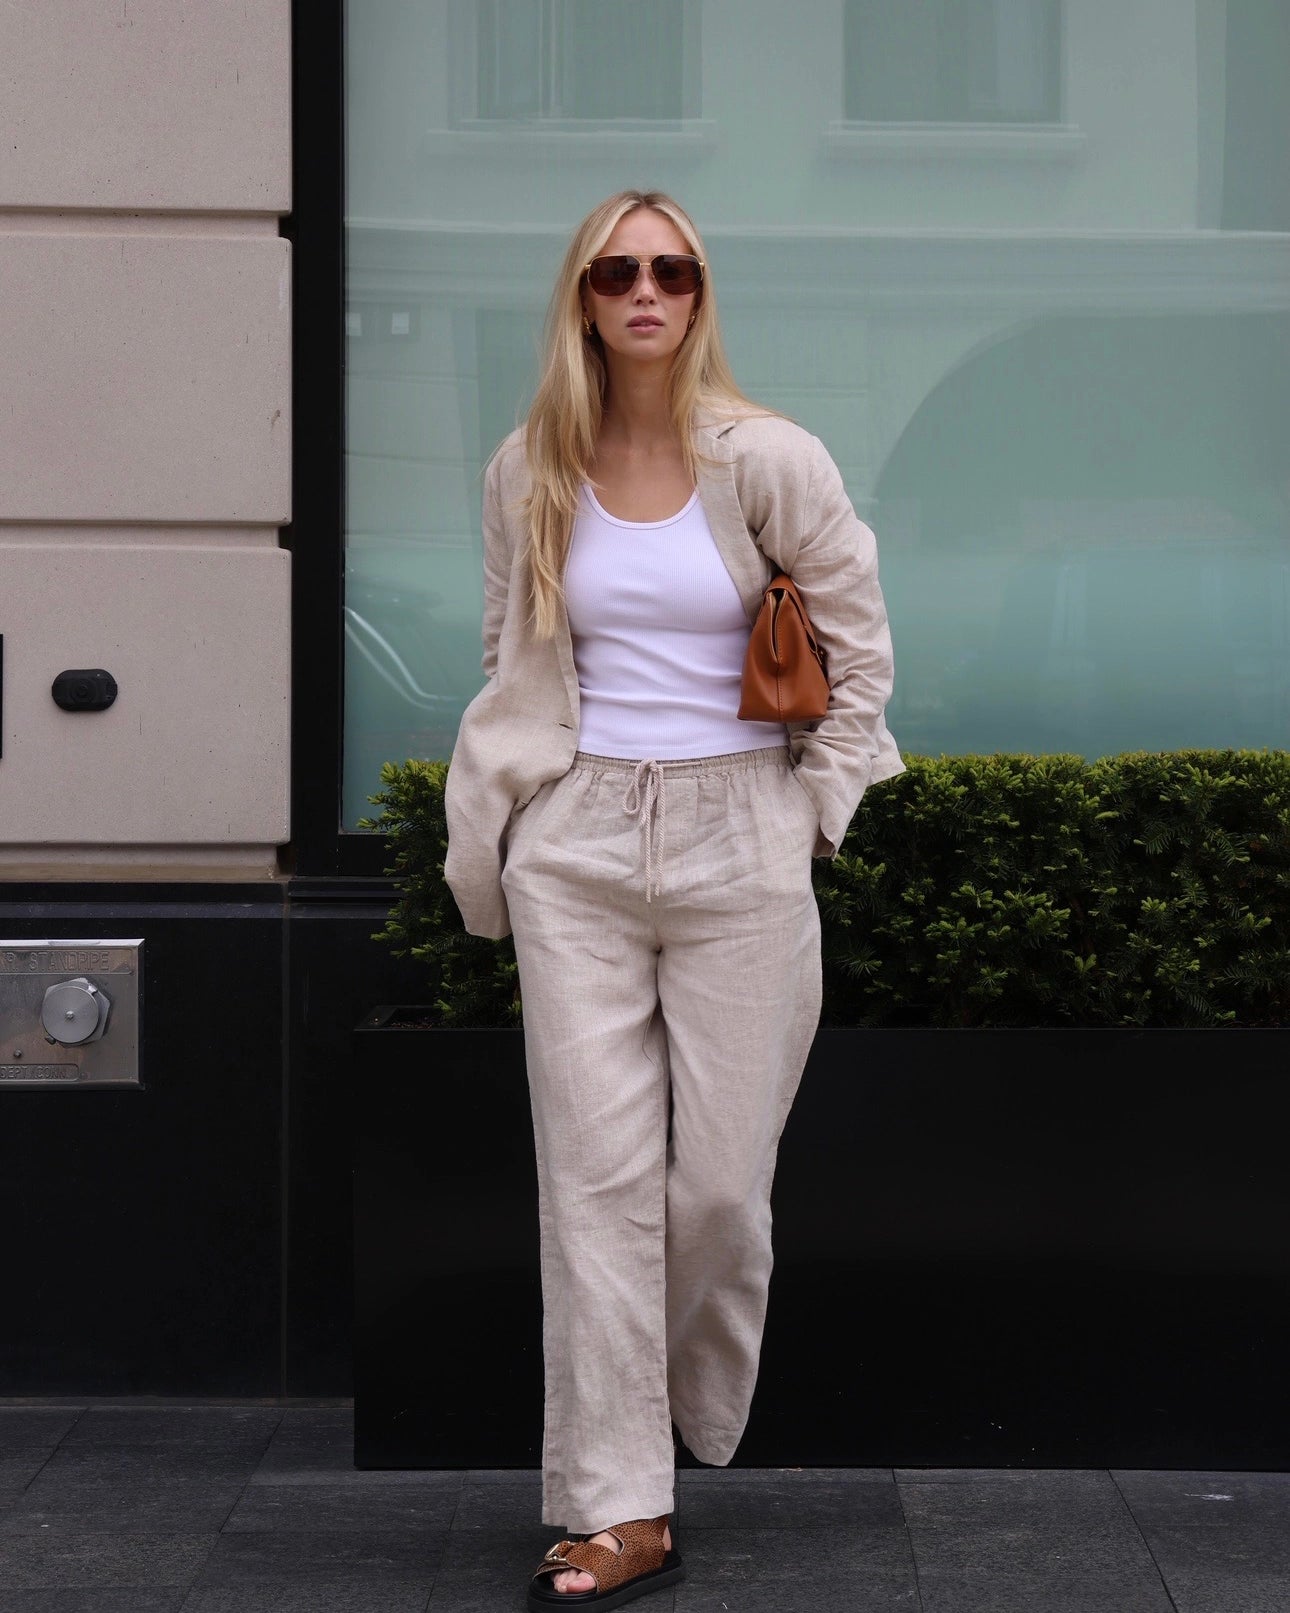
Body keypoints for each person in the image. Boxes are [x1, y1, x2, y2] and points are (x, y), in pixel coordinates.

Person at [444, 189, 904, 1608]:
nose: (647, 290)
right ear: (580, 297)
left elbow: (862, 655)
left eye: (674, 269)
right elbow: (506, 652)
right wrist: (525, 823)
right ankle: (614, 1502)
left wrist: (806, 817)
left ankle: (684, 1403)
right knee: (589, 1188)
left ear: (702, 294)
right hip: (577, 839)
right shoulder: (530, 467)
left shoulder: (769, 459)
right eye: (616, 270)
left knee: (713, 1187)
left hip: (737, 842)